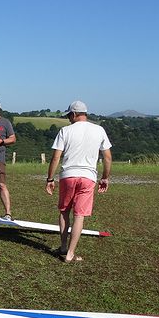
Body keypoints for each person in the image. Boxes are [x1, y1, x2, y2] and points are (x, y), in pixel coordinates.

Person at [45, 100, 113, 263]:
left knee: (64, 211)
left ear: (74, 114)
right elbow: (108, 157)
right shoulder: (99, 130)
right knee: (79, 215)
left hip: (68, 175)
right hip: (88, 177)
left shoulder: (65, 131)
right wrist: (105, 177)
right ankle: (70, 254)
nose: (69, 118)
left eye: (69, 115)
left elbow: (56, 157)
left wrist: (49, 178)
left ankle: (62, 247)